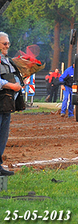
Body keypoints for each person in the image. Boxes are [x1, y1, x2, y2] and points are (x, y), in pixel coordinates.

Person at [0, 32, 23, 176]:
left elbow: (14, 77)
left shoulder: (7, 60)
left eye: (8, 43)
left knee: (2, 137)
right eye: (4, 43)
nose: (7, 46)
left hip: (5, 105)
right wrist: (10, 85)